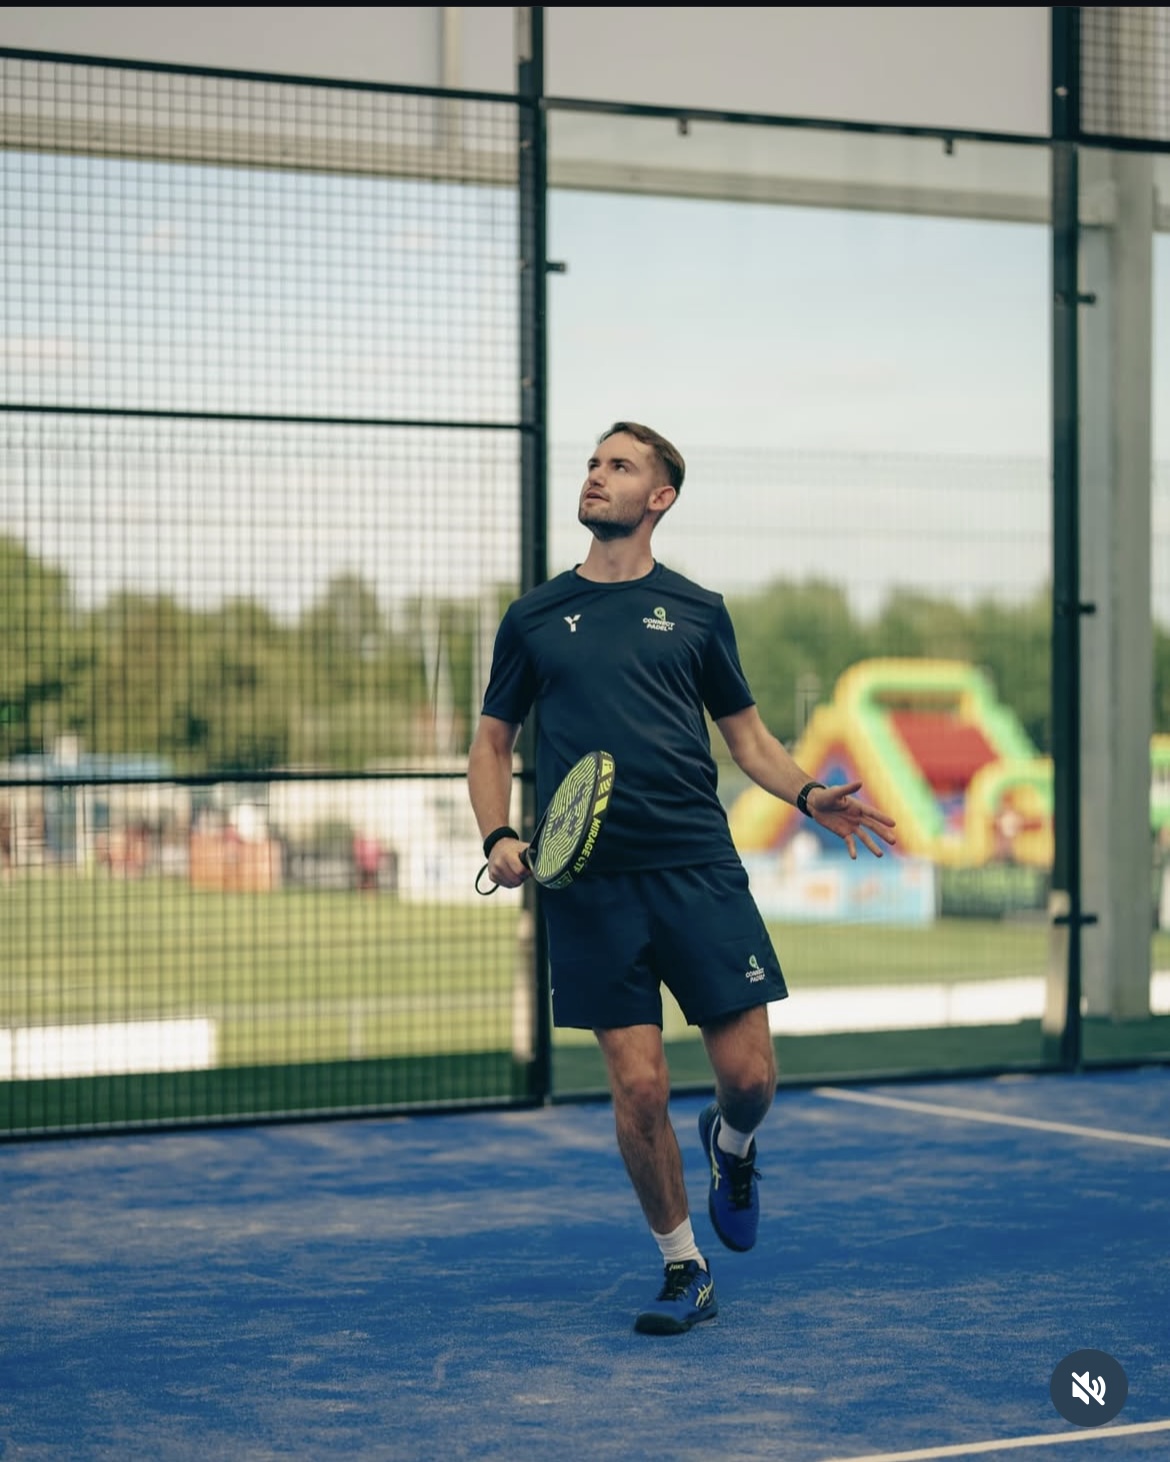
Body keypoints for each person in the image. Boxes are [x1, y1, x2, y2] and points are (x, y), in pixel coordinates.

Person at [467, 422, 896, 1335]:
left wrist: (812, 795)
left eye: (619, 466)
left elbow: (748, 740)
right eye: (593, 463)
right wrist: (500, 833)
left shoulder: (698, 611)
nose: (596, 477)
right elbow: (492, 742)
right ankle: (682, 1266)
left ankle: (732, 1146)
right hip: (589, 885)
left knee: (749, 1077)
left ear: (658, 498)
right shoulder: (535, 617)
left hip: (698, 868)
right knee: (641, 1088)